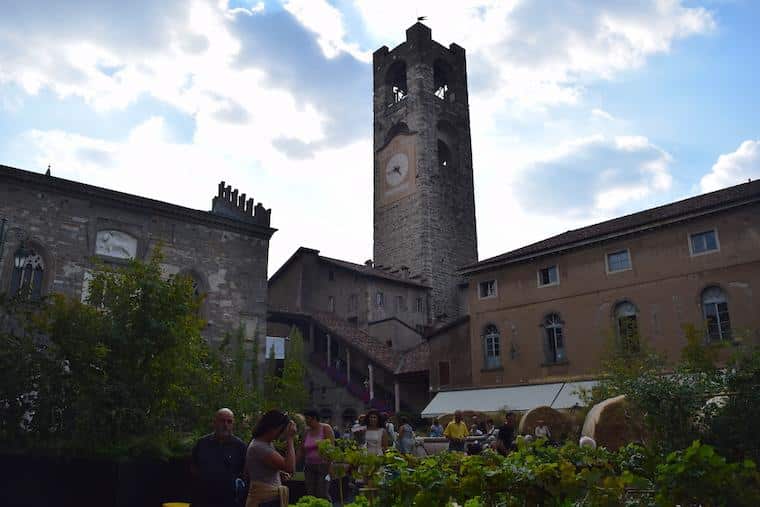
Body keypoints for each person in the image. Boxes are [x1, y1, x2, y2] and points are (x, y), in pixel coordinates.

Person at [191, 408, 248, 507]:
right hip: (203, 499)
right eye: (222, 421)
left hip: (229, 501)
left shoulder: (240, 446)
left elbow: (246, 472)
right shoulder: (202, 443)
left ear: (233, 424)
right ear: (215, 422)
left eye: (229, 422)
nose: (225, 425)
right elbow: (193, 467)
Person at [244, 410, 297, 507]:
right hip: (264, 501)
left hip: (267, 500)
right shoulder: (259, 447)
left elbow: (260, 469)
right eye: (281, 430)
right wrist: (290, 439)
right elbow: (290, 467)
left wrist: (277, 473)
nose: (281, 435)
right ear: (274, 428)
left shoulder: (264, 443)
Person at [300, 409, 335, 502]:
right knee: (310, 493)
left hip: (323, 466)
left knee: (322, 493)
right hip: (309, 466)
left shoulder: (325, 428)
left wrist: (330, 465)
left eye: (307, 418)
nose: (306, 421)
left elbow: (331, 448)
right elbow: (301, 449)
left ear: (314, 418)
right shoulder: (306, 432)